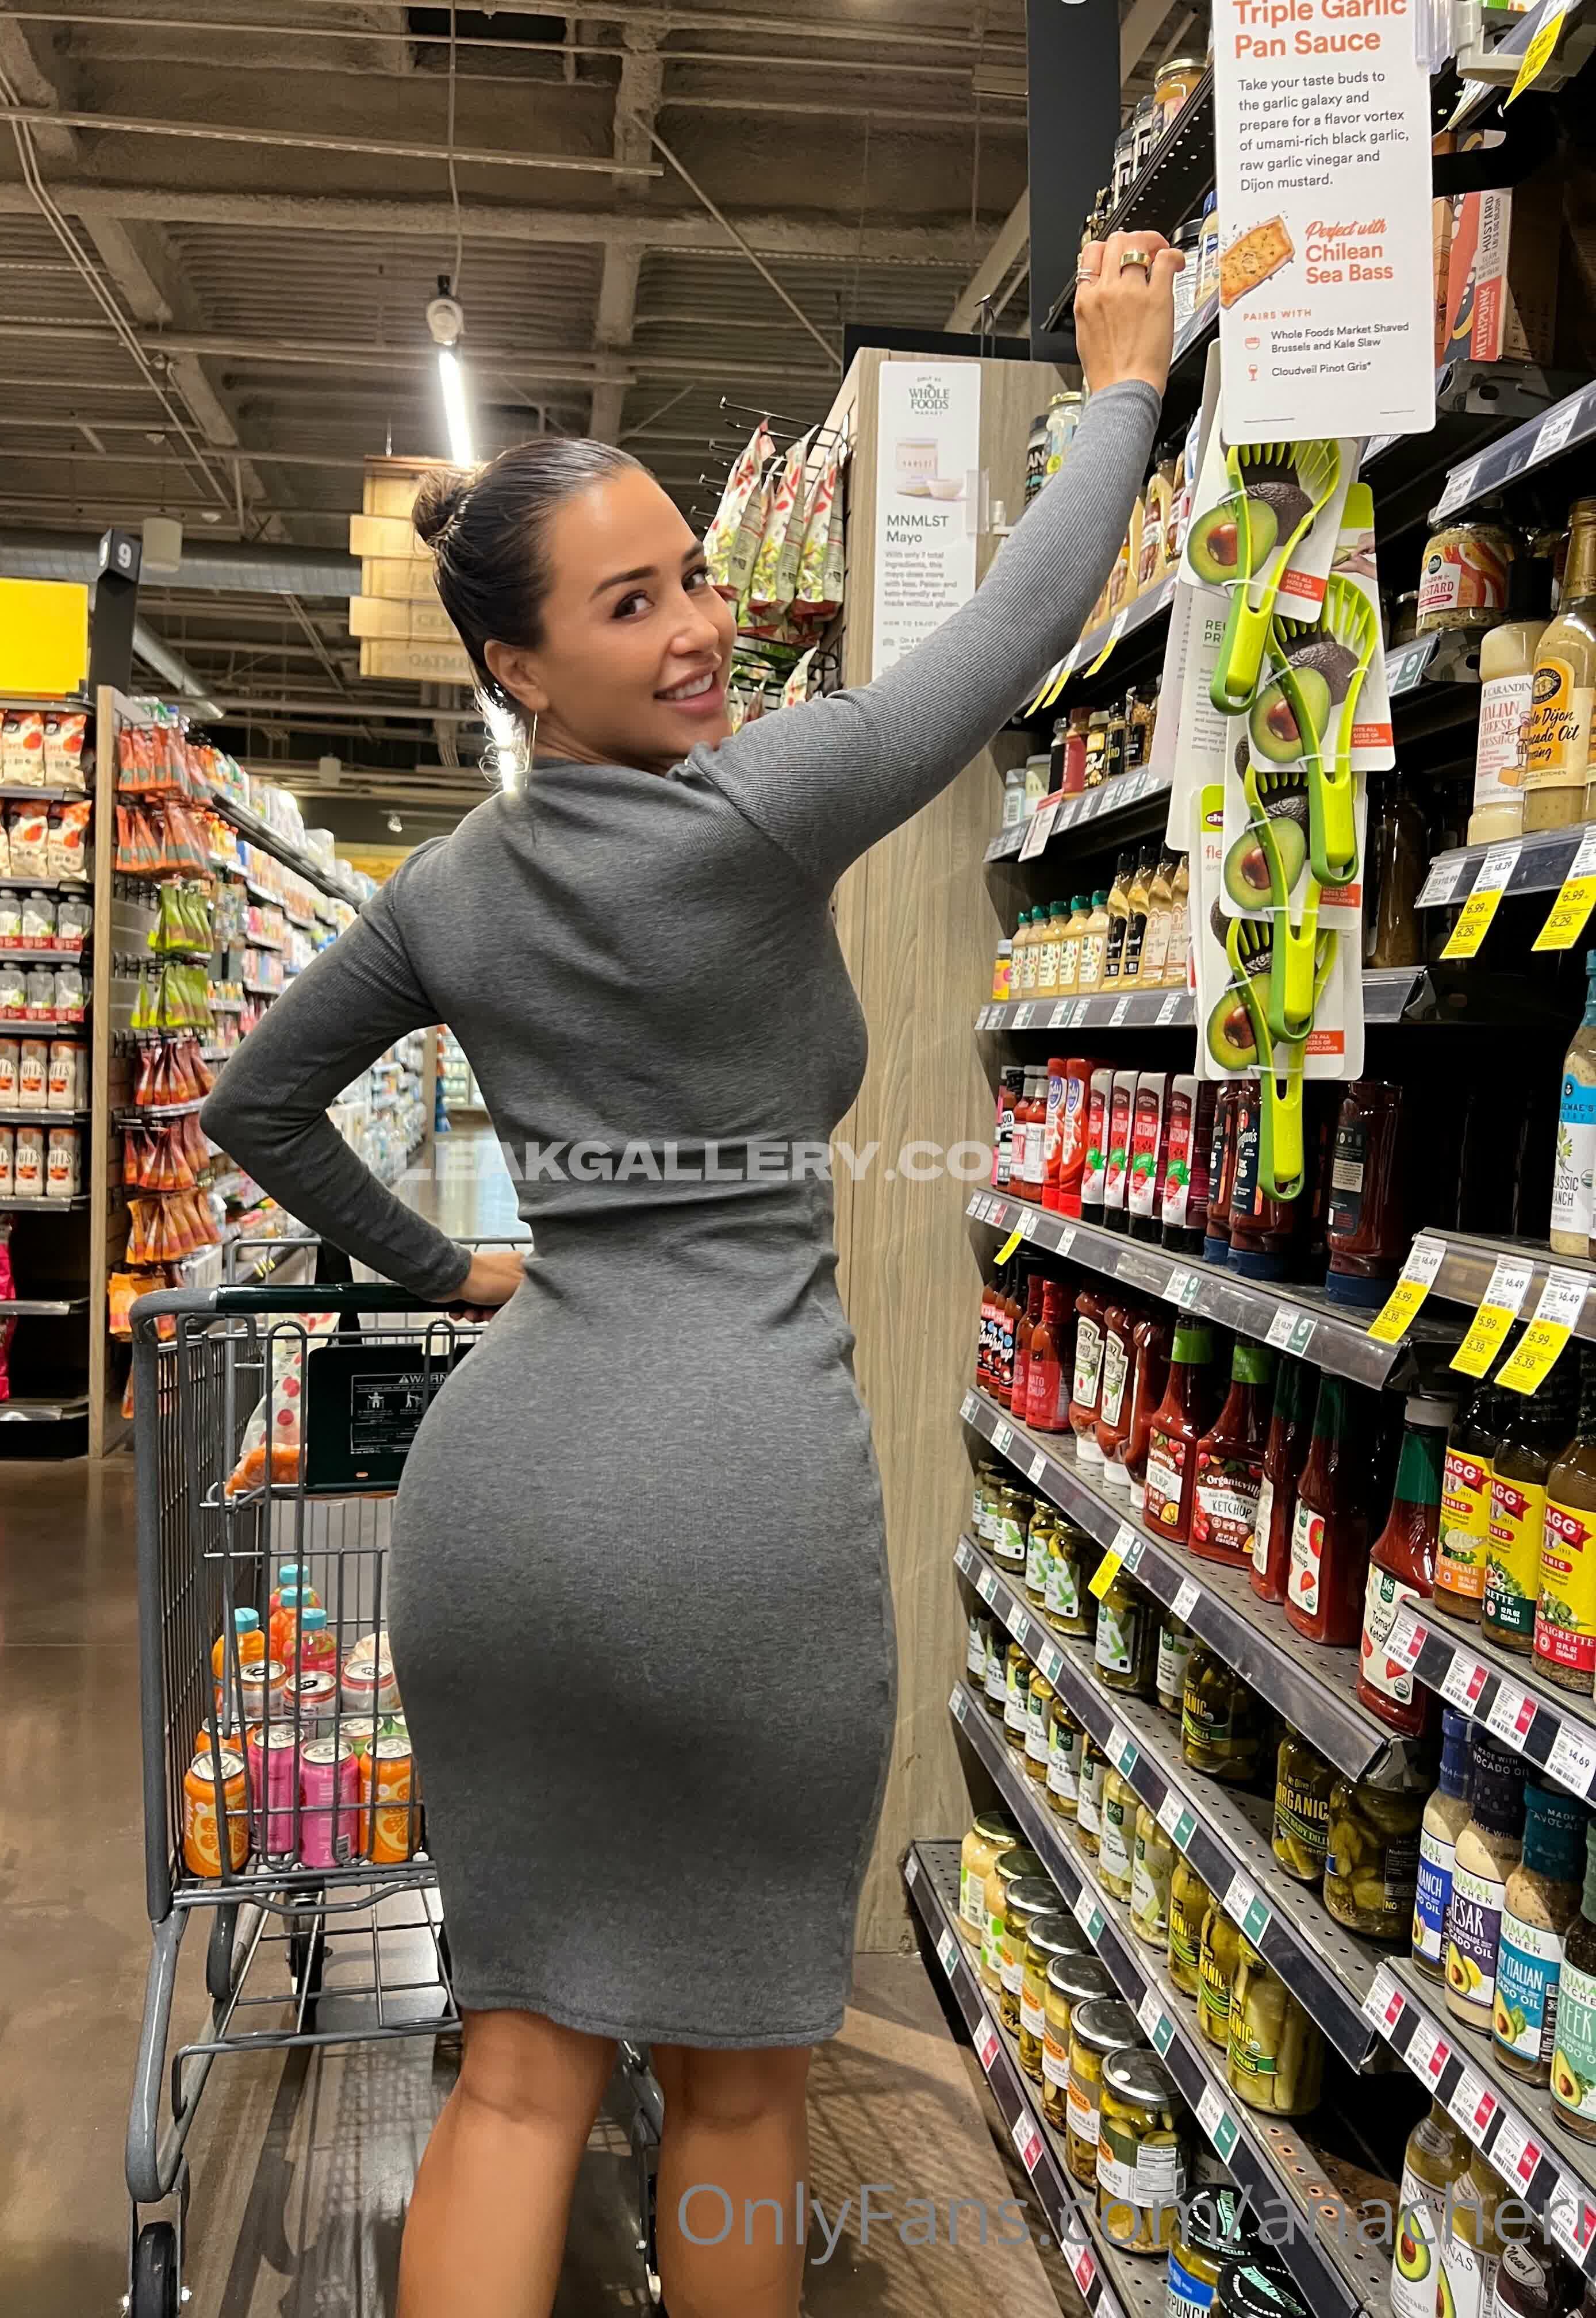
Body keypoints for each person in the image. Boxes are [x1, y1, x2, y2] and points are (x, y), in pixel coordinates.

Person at [200, 232, 1179, 2318]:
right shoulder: (760, 812)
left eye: (697, 578)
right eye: (630, 604)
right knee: (741, 2082)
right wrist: (1124, 381)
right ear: (518, 670)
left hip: (504, 1508)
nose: (702, 631)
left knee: (518, 2071)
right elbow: (1017, 626)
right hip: (740, 1505)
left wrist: (460, 1274)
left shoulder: (445, 891)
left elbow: (256, 1106)